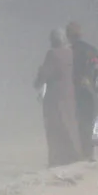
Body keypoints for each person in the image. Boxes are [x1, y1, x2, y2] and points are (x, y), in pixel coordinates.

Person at [35, 29, 82, 167]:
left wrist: (39, 77)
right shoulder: (70, 53)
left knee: (54, 129)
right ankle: (73, 156)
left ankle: (56, 160)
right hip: (69, 97)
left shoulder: (52, 54)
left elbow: (44, 74)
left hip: (54, 99)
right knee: (70, 126)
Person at [66, 21, 98, 162]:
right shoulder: (91, 50)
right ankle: (88, 153)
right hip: (91, 92)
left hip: (75, 93)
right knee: (88, 122)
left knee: (78, 122)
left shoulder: (68, 52)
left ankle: (82, 154)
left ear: (68, 36)